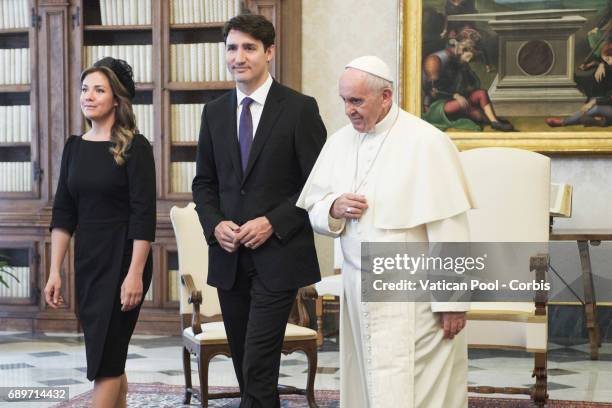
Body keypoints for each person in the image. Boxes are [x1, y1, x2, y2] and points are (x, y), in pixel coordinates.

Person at [297, 56, 474, 407]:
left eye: (356, 101)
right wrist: (333, 207)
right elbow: (313, 207)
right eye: (344, 100)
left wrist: (453, 301)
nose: (348, 110)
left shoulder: (426, 142)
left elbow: (450, 229)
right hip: (356, 286)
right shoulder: (339, 143)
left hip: (412, 294)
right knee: (367, 382)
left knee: (416, 386)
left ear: (386, 96)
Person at [191, 14, 326, 407]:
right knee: (246, 366)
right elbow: (204, 183)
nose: (238, 56)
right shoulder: (213, 112)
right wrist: (214, 224)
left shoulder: (299, 109)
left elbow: (316, 184)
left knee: (258, 365)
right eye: (231, 47)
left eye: (249, 47)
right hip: (230, 258)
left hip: (279, 256)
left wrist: (272, 221)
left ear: (269, 52)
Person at [44, 57, 156, 408]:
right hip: (89, 261)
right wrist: (54, 271)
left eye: (98, 89)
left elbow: (143, 216)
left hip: (124, 259)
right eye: (84, 89)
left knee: (106, 360)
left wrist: (135, 274)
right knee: (108, 350)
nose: (88, 96)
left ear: (116, 99)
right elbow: (64, 213)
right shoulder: (74, 147)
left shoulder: (137, 147)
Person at [422, 38, 514, 132]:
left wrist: (467, 71)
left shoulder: (459, 62)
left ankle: (494, 122)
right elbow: (433, 90)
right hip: (436, 105)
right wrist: (455, 95)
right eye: (468, 58)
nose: (468, 61)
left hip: (456, 99)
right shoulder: (435, 60)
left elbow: (474, 84)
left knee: (481, 93)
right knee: (477, 115)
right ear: (463, 50)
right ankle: (486, 118)